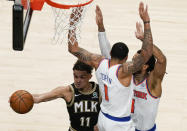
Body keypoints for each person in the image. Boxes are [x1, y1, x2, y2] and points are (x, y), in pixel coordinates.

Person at [68, 2, 153, 131]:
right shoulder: (124, 71)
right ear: (126, 58)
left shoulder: (98, 62)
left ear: (111, 53)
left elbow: (73, 48)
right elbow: (147, 54)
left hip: (102, 119)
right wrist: (146, 22)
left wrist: (73, 22)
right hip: (119, 124)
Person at [96, 4, 167, 131]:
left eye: (135, 60)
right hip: (125, 127)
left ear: (145, 66)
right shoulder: (126, 76)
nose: (132, 62)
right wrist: (101, 28)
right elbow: (108, 56)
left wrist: (143, 37)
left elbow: (162, 60)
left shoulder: (152, 83)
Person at [32, 60, 101, 131]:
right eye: (76, 76)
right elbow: (39, 98)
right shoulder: (67, 91)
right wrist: (25, 96)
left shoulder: (100, 91)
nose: (78, 80)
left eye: (82, 77)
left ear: (90, 76)